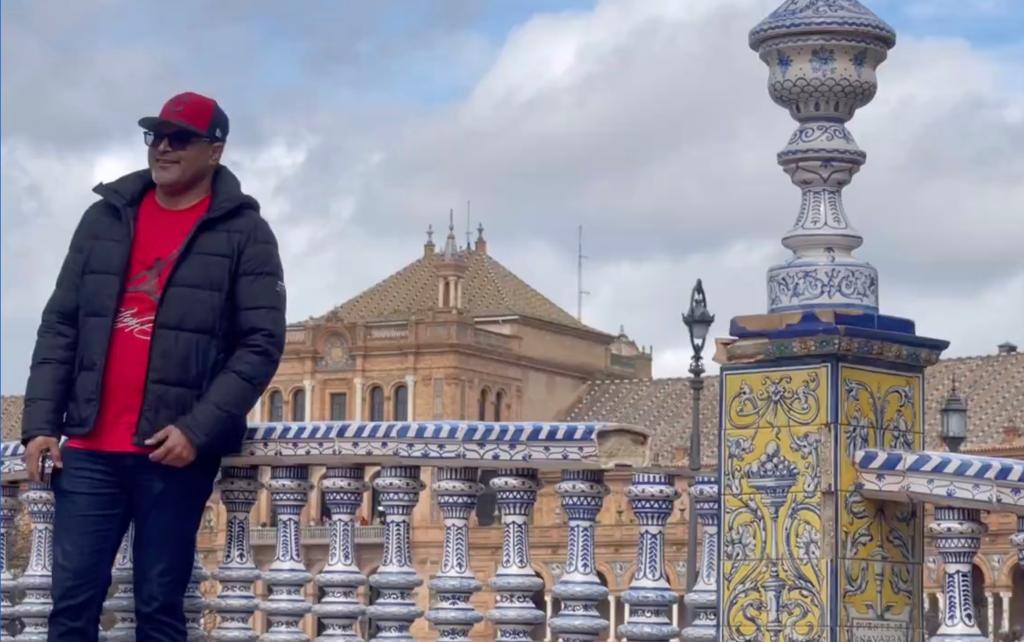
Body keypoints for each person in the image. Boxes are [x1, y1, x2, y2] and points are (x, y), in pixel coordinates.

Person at [20, 91, 286, 641]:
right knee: (69, 609)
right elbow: (60, 325)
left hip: (171, 453)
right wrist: (40, 425)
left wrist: (197, 429)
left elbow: (259, 344)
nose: (163, 147)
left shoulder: (245, 233)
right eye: (155, 135)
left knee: (161, 609)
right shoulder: (104, 218)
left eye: (179, 137)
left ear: (215, 149)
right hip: (89, 450)